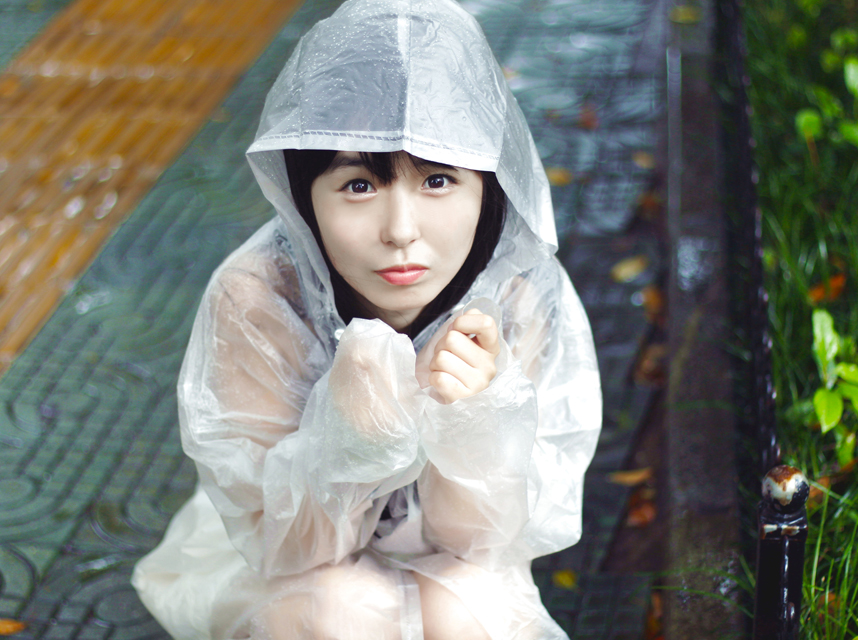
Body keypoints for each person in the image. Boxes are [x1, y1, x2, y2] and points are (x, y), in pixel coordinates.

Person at [131, 0, 602, 638]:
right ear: (305, 198)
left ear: (487, 186)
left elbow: (485, 542)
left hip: (462, 558)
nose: (401, 231)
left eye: (438, 181)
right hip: (290, 565)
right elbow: (286, 548)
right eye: (359, 185)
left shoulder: (518, 294)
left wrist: (474, 417)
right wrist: (350, 431)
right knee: (335, 610)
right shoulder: (258, 298)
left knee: (470, 610)